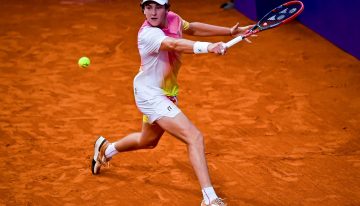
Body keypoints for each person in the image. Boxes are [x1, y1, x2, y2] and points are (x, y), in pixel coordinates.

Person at [91, 0, 254, 205]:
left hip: (165, 92)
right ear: (143, 9)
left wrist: (229, 31)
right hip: (150, 95)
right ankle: (210, 199)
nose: (153, 12)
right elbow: (175, 44)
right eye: (148, 7)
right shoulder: (147, 34)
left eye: (158, 7)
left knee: (147, 141)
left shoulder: (173, 18)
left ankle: (106, 149)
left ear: (167, 8)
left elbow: (191, 28)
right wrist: (210, 46)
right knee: (194, 137)